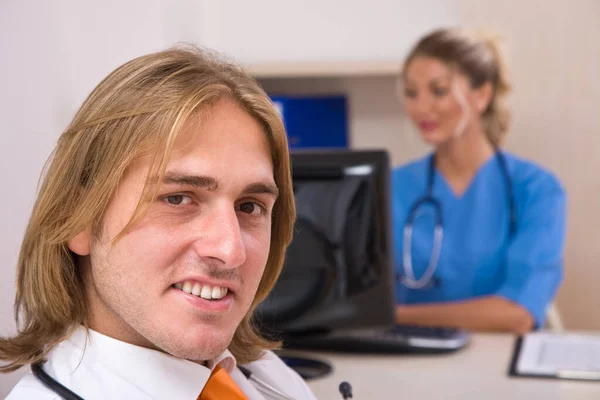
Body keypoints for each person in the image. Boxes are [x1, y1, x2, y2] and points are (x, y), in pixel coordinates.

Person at [1, 45, 317, 400]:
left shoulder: (267, 376)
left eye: (249, 206)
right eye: (178, 198)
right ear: (78, 218)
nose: (231, 250)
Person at [393, 28, 567, 333]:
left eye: (439, 90)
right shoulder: (391, 188)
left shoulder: (536, 190)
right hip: (408, 362)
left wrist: (395, 316)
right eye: (411, 93)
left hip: (498, 366)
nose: (421, 107)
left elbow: (519, 315)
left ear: (482, 95)